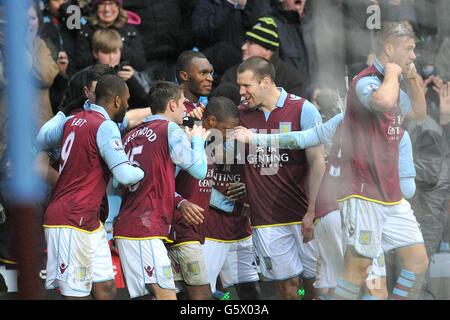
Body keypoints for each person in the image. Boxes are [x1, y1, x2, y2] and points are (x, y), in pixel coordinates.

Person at [332, 21, 428, 300]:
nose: (413, 56)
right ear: (389, 48)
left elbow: (419, 114)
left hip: (390, 193)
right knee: (358, 269)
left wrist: (409, 78)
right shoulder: (365, 81)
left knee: (418, 260)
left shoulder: (394, 83)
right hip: (363, 192)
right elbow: (383, 102)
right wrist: (393, 72)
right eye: (408, 50)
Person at [36, 75, 145, 300]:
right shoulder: (105, 126)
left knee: (106, 288)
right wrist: (144, 170)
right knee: (77, 295)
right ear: (116, 100)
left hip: (88, 221)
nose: (127, 105)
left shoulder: (71, 120)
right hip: (71, 220)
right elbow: (125, 175)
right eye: (126, 100)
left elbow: (42, 140)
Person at [235, 56, 325, 300]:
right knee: (287, 290)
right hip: (267, 220)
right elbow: (220, 150)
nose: (241, 92)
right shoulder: (239, 115)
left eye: (246, 86)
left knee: (316, 285)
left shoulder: (302, 109)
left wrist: (313, 210)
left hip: (303, 215)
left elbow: (318, 161)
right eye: (239, 86)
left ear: (265, 82)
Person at [113, 81, 209, 300]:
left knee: (147, 297)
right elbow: (199, 170)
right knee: (166, 296)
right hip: (144, 230)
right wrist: (197, 141)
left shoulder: (130, 135)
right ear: (172, 105)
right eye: (184, 103)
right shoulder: (170, 129)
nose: (186, 108)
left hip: (129, 227)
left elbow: (123, 183)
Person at [62, 29, 147, 110]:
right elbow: (65, 109)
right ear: (95, 53)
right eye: (106, 52)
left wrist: (133, 82)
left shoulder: (131, 74)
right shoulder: (81, 78)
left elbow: (147, 105)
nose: (112, 57)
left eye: (115, 51)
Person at [221, 16, 305, 97]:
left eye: (251, 43)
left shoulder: (290, 79)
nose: (243, 47)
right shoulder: (231, 76)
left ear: (267, 50)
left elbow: (296, 110)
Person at [75, 0, 146, 71]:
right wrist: (102, 47)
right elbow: (80, 64)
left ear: (118, 7)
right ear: (96, 8)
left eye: (112, 3)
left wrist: (117, 44)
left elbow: (140, 64)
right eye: (102, 4)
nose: (107, 9)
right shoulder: (86, 30)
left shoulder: (129, 30)